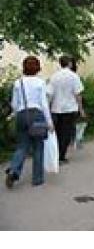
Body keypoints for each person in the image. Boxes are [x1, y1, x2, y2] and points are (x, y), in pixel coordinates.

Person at [5, 56, 54, 188]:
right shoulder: (40, 82)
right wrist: (49, 122)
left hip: (22, 115)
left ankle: (14, 170)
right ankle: (37, 179)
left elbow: (14, 104)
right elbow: (44, 104)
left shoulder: (18, 83)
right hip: (37, 115)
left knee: (22, 146)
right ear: (37, 68)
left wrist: (13, 114)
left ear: (24, 67)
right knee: (38, 146)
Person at [47, 55, 85, 164]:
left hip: (56, 108)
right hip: (70, 108)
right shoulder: (74, 76)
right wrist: (81, 109)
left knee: (58, 133)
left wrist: (48, 108)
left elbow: (49, 94)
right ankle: (61, 156)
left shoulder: (54, 77)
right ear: (69, 63)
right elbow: (78, 94)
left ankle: (56, 154)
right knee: (66, 133)